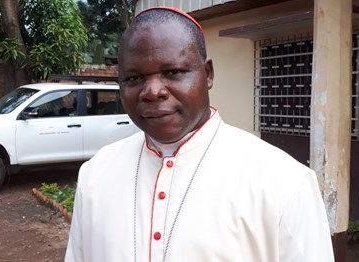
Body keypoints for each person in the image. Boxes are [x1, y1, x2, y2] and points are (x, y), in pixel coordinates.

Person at [65, 6, 335, 262]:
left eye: (173, 72)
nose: (152, 91)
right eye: (134, 79)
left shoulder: (285, 182)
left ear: (207, 74)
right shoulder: (96, 174)